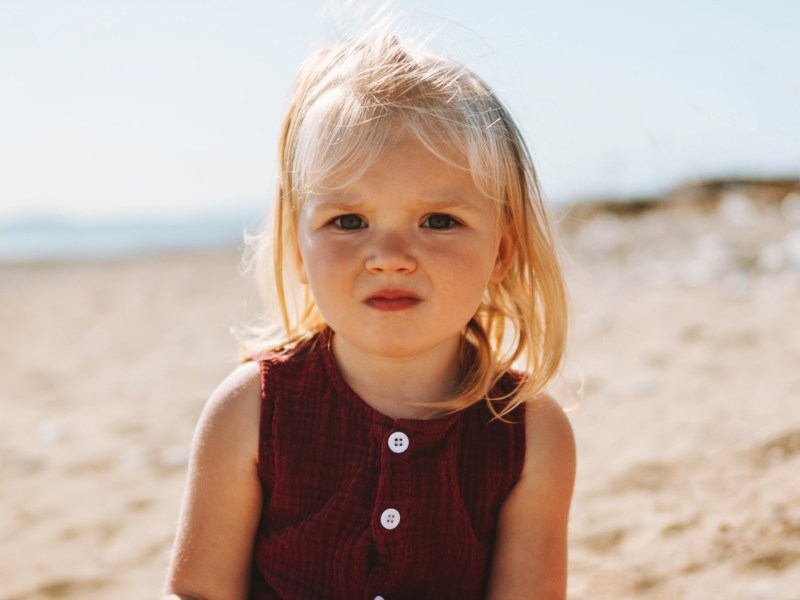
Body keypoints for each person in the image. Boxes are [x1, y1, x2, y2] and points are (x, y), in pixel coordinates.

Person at [163, 20, 575, 600]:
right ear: (298, 250)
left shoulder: (529, 433)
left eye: (439, 221)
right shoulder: (250, 411)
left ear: (502, 251)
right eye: (348, 221)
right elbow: (198, 593)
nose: (389, 258)